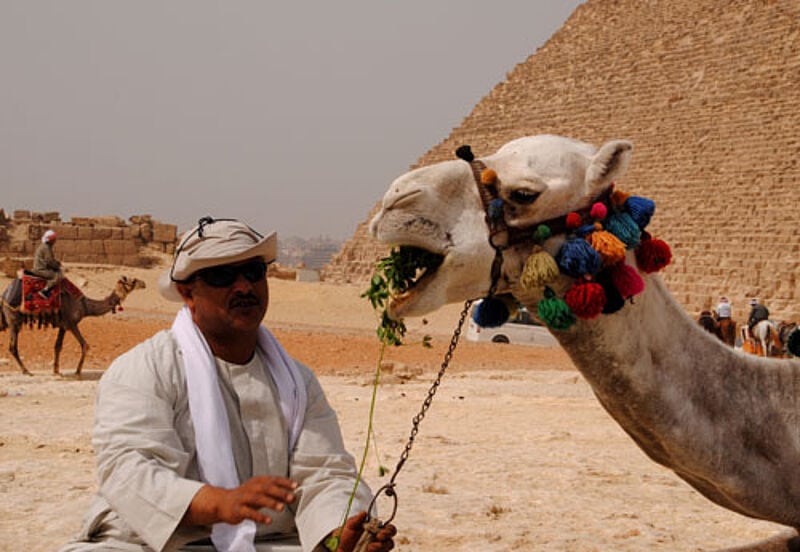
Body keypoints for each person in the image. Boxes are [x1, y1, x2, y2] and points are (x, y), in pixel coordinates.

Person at [60, 217, 396, 552]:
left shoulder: (297, 382)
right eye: (222, 276)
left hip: (269, 542)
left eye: (253, 272)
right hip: (149, 543)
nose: (244, 287)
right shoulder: (145, 369)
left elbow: (325, 472)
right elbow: (130, 471)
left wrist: (339, 533)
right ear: (187, 292)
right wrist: (217, 503)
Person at [32, 229, 63, 298]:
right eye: (54, 239)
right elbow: (49, 261)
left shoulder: (44, 246)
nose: (55, 241)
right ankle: (45, 290)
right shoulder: (46, 248)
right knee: (58, 275)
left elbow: (49, 260)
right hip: (41, 270)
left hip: (39, 268)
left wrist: (56, 263)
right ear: (51, 240)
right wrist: (57, 266)